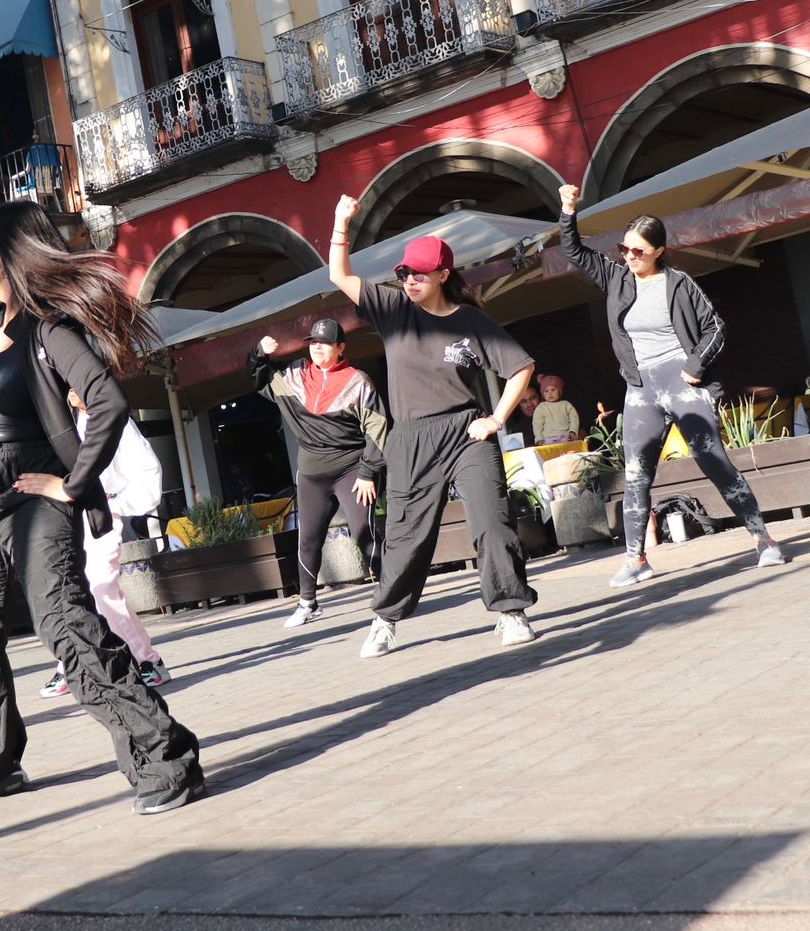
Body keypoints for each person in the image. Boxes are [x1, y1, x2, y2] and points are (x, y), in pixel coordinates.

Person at [0, 107, 203, 815]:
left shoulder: (49, 329)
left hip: (35, 499)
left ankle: (166, 761)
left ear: (7, 254)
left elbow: (108, 401)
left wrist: (72, 484)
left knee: (68, 630)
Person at [327, 195, 540, 656]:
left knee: (491, 520)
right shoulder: (392, 309)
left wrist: (496, 420)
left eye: (419, 273)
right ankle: (385, 620)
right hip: (408, 439)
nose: (409, 280)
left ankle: (511, 611)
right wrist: (342, 223)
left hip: (465, 434)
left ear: (444, 274)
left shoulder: (471, 321)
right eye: (405, 273)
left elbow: (521, 367)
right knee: (406, 536)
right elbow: (339, 275)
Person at [557, 183, 787, 588]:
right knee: (635, 474)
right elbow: (574, 251)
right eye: (624, 249)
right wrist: (567, 210)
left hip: (680, 379)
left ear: (659, 250)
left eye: (638, 251)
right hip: (640, 386)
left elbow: (715, 327)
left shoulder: (678, 284)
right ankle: (636, 559)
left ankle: (762, 539)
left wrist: (696, 364)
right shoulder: (616, 277)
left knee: (713, 459)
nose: (629, 257)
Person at [247, 319, 387, 629]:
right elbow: (258, 380)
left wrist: (368, 472)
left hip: (352, 470)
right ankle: (307, 603)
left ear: (340, 348)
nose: (317, 347)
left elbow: (378, 428)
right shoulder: (293, 375)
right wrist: (259, 353)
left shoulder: (358, 381)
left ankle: (391, 594)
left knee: (365, 534)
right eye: (313, 342)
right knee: (308, 539)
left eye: (324, 342)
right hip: (311, 474)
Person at [41, 388, 172, 697]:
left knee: (102, 589)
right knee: (68, 592)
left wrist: (119, 504)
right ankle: (71, 665)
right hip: (68, 516)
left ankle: (147, 660)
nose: (73, 391)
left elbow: (148, 468)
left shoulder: (115, 420)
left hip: (101, 510)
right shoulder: (63, 421)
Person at [532, 374, 580, 444]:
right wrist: (539, 438)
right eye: (546, 391)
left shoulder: (566, 404)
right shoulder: (541, 407)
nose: (550, 393)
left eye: (553, 390)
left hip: (565, 437)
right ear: (543, 394)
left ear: (559, 391)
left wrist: (573, 431)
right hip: (547, 439)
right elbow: (537, 424)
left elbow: (574, 419)